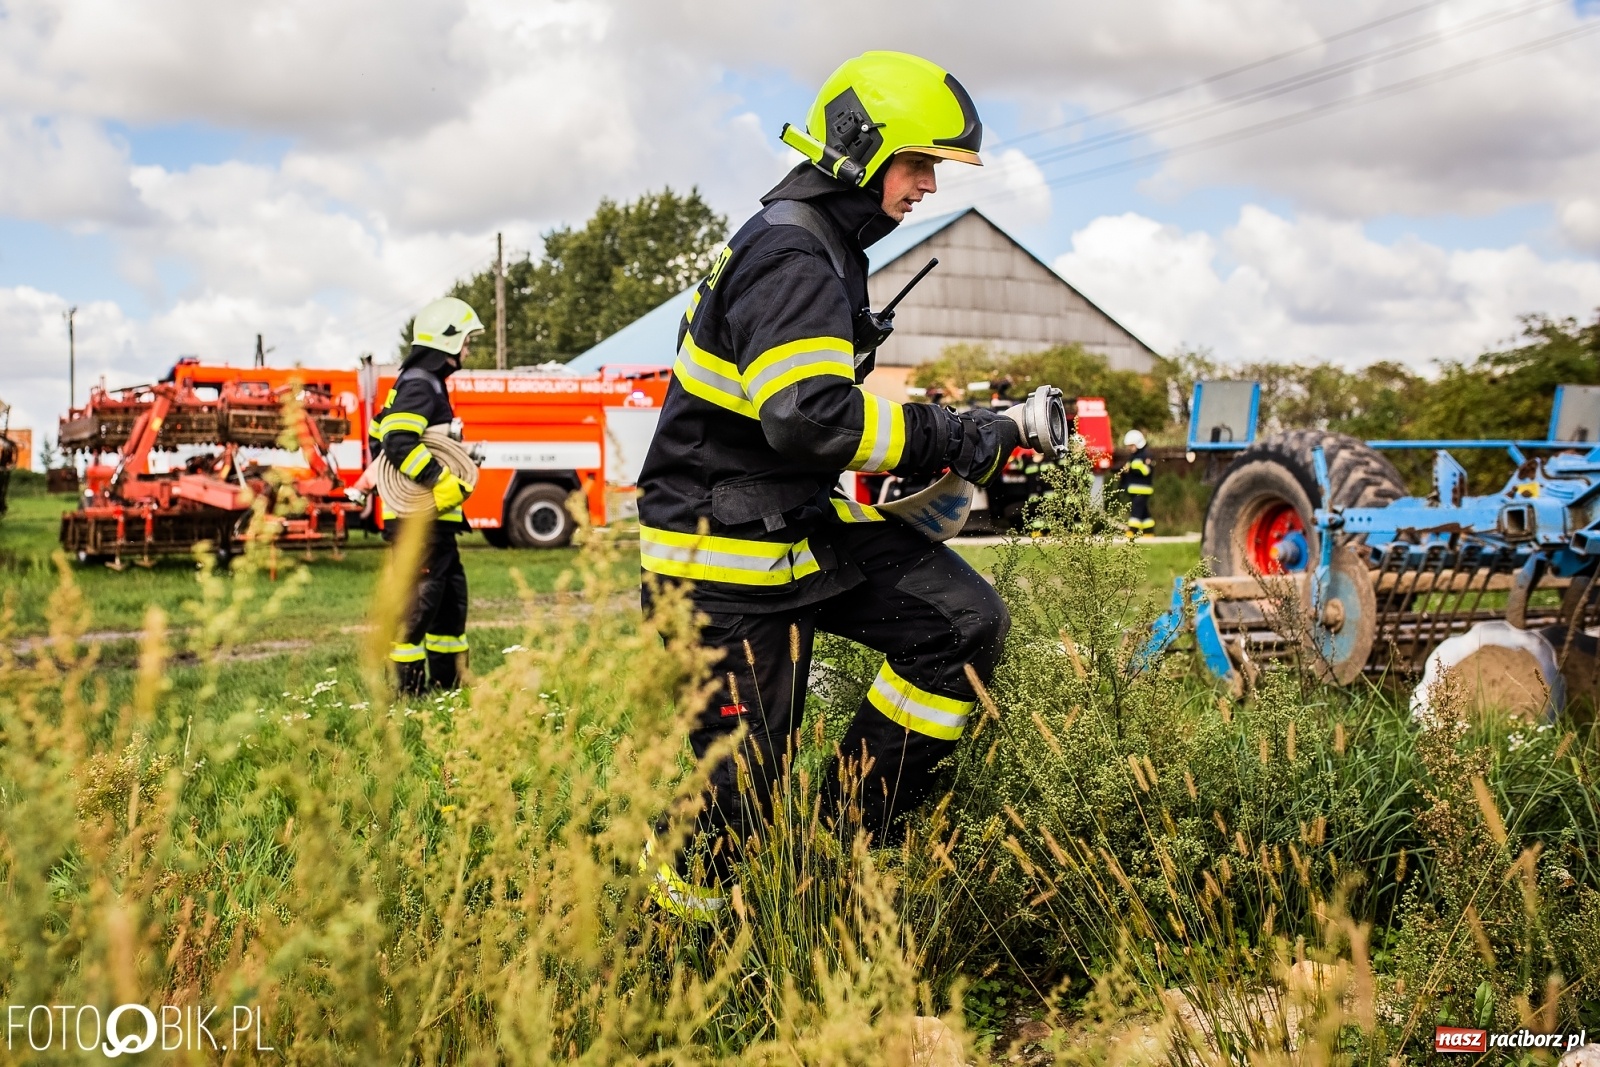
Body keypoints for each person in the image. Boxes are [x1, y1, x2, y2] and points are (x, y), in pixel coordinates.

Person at [635, 51, 1026, 915]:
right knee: (737, 801)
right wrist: (954, 435)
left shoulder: (826, 247)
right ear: (861, 144)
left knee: (961, 624)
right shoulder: (792, 255)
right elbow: (808, 418)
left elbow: (805, 426)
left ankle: (844, 836)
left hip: (791, 524)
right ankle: (678, 937)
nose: (927, 184)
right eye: (919, 161)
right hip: (720, 559)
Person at [369, 297, 483, 694]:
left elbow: (378, 434)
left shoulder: (423, 382)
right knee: (417, 608)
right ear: (448, 341)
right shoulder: (420, 382)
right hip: (420, 526)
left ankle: (449, 687)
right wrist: (437, 477)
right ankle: (409, 692)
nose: (468, 349)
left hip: (437, 527)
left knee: (449, 607)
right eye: (467, 341)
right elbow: (396, 439)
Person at [1119, 428, 1154, 538]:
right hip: (1134, 489)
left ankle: (1132, 531)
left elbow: (1146, 471)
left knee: (1136, 510)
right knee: (1143, 512)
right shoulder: (1133, 457)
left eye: (1131, 445)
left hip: (1142, 489)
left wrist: (1133, 467)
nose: (1129, 448)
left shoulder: (1146, 456)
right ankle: (1148, 531)